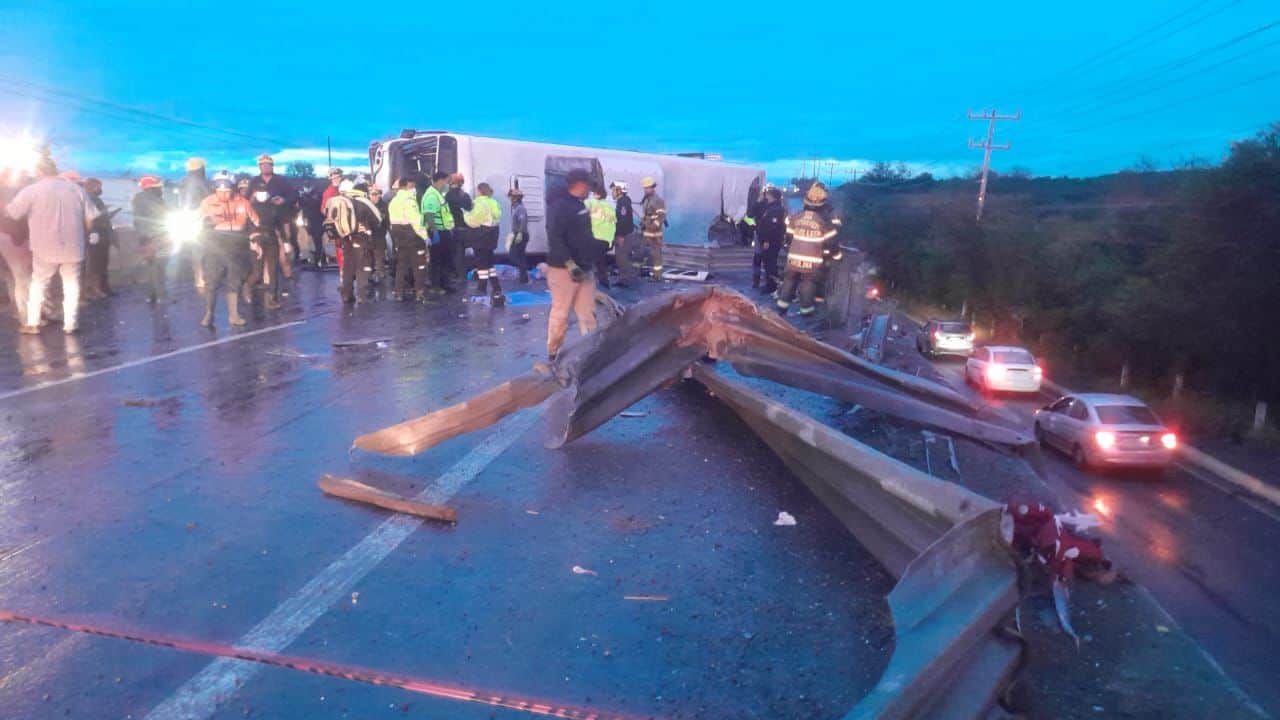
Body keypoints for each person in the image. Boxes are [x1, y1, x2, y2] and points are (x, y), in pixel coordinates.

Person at [4, 155, 99, 335]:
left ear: (39, 171)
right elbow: (90, 219)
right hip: (73, 246)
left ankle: (32, 323)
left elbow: (13, 213)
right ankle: (70, 324)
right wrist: (85, 237)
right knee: (71, 285)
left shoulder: (32, 190)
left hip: (43, 247)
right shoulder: (76, 189)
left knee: (39, 283)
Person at [544, 168, 599, 359]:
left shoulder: (579, 205)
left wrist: (596, 250)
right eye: (588, 185)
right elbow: (555, 237)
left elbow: (582, 237)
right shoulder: (559, 207)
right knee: (561, 313)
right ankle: (553, 353)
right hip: (563, 270)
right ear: (580, 184)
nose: (590, 189)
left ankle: (592, 353)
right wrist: (570, 264)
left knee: (588, 313)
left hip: (585, 267)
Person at [198, 175, 259, 328]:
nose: (224, 195)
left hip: (237, 246)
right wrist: (209, 222)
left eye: (227, 191)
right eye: (221, 191)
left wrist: (255, 238)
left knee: (235, 281)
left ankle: (234, 315)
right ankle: (209, 313)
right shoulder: (207, 203)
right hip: (214, 246)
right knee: (212, 281)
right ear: (215, 189)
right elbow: (198, 223)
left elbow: (255, 222)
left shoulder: (243, 202)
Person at [777, 181, 841, 316]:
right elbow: (832, 242)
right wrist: (837, 256)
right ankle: (806, 312)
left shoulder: (797, 217)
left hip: (793, 257)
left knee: (789, 280)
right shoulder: (824, 221)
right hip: (813, 259)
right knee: (809, 283)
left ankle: (781, 308)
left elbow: (788, 238)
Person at [253, 154, 299, 276]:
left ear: (272, 166)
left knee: (285, 248)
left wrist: (284, 200)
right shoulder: (254, 181)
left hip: (281, 219)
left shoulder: (281, 181)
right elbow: (247, 199)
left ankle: (288, 274)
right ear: (259, 167)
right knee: (262, 250)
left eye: (268, 165)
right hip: (261, 221)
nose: (265, 167)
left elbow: (294, 195)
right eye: (263, 165)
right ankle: (266, 277)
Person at [388, 176, 430, 301]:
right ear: (407, 185)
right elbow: (416, 221)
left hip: (398, 236)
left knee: (401, 264)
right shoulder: (409, 201)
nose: (414, 189)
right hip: (412, 236)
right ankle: (419, 292)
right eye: (412, 186)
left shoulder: (394, 201)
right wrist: (425, 236)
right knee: (419, 264)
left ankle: (398, 292)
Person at [462, 182, 504, 304]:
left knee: (481, 263)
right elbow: (497, 216)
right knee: (489, 261)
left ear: (480, 191)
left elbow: (473, 221)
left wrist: (465, 214)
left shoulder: (479, 203)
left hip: (481, 236)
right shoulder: (494, 202)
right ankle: (496, 286)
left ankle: (482, 287)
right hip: (492, 236)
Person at [131, 175, 169, 304]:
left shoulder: (137, 199)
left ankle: (151, 295)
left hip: (144, 237)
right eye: (158, 187)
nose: (161, 189)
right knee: (159, 267)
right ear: (151, 188)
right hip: (157, 237)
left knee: (150, 267)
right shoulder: (156, 200)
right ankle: (161, 297)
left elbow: (138, 220)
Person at [0, 173, 33, 321]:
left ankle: (19, 311)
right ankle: (24, 316)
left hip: (8, 241)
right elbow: (14, 221)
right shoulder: (11, 195)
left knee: (13, 278)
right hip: (13, 241)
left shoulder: (11, 194)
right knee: (21, 278)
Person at [80, 177, 117, 300]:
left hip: (99, 236)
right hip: (98, 236)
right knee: (97, 265)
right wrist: (106, 215)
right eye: (99, 187)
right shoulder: (90, 199)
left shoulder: (89, 198)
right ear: (93, 187)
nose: (100, 189)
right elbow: (93, 218)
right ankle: (97, 289)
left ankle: (100, 288)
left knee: (99, 264)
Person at [248, 178, 282, 309]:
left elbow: (279, 224)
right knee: (257, 272)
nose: (262, 193)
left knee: (273, 270)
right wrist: (252, 239)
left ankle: (272, 298)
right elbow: (248, 225)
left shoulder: (273, 207)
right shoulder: (250, 207)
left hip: (271, 238)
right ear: (255, 192)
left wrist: (284, 241)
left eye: (264, 190)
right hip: (257, 239)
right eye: (260, 190)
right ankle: (248, 287)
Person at [178, 157, 211, 289]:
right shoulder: (201, 182)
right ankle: (202, 278)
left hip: (187, 218)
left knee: (194, 249)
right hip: (200, 218)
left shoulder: (183, 182)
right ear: (200, 169)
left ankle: (198, 277)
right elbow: (209, 199)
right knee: (202, 249)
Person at [420, 171, 455, 291]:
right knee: (437, 260)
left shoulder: (437, 194)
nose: (447, 184)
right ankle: (436, 285)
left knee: (444, 259)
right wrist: (434, 232)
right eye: (447, 181)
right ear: (440, 181)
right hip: (438, 232)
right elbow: (429, 214)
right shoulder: (432, 195)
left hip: (442, 231)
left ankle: (444, 284)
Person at [753, 186, 787, 295]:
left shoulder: (775, 210)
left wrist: (767, 240)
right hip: (767, 240)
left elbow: (772, 227)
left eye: (767, 194)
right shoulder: (771, 207)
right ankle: (769, 284)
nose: (766, 196)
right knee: (768, 263)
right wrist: (759, 201)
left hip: (771, 242)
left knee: (770, 264)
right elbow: (754, 213)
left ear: (772, 196)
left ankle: (771, 286)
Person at [585, 185, 616, 289]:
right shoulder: (610, 206)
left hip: (596, 238)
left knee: (591, 261)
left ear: (597, 195)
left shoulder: (592, 203)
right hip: (607, 240)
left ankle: (597, 284)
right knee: (600, 262)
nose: (592, 195)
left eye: (593, 193)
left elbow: (578, 208)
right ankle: (604, 283)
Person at [445, 173, 472, 289]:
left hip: (454, 229)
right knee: (462, 254)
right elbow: (470, 210)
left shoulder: (448, 196)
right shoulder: (465, 195)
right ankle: (463, 276)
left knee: (457, 255)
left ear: (451, 183)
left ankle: (460, 276)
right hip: (466, 229)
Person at [639, 176, 666, 281]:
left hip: (655, 233)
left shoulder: (658, 200)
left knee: (656, 254)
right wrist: (643, 222)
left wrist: (653, 226)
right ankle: (637, 271)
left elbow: (661, 216)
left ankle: (657, 275)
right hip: (646, 231)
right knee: (640, 251)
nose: (645, 190)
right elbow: (646, 214)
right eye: (644, 188)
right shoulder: (647, 199)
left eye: (647, 188)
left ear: (652, 187)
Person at [610, 181, 636, 285]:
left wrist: (620, 235)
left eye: (613, 190)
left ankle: (627, 280)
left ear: (619, 191)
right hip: (623, 234)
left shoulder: (623, 203)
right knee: (621, 258)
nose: (612, 193)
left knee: (623, 258)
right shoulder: (622, 202)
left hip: (624, 235)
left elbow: (623, 220)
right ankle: (624, 279)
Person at [321, 167, 343, 268]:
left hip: (350, 223)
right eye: (334, 178)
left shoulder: (347, 188)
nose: (336, 179)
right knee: (340, 249)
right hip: (338, 224)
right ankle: (343, 272)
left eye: (338, 177)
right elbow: (323, 209)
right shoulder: (328, 192)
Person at [506, 188, 530, 284]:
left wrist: (519, 233)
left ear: (515, 198)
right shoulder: (517, 208)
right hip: (520, 234)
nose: (510, 199)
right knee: (520, 256)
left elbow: (523, 221)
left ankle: (524, 273)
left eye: (511, 197)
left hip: (520, 234)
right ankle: (524, 278)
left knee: (513, 255)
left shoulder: (520, 208)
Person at [368, 185, 390, 286]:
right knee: (369, 256)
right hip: (369, 234)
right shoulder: (367, 205)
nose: (375, 196)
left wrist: (385, 229)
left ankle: (380, 273)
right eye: (373, 194)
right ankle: (370, 274)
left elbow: (386, 220)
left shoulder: (383, 205)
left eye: (377, 194)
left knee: (379, 255)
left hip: (379, 234)